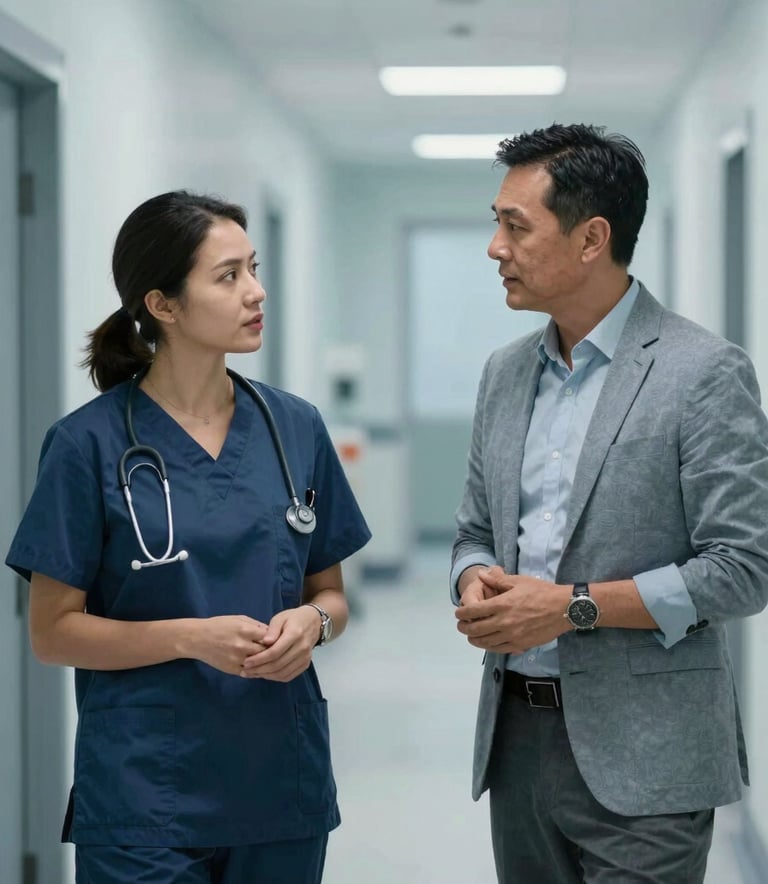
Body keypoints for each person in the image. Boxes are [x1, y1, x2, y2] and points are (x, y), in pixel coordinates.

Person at [5, 190, 371, 884]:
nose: (256, 293)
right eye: (228, 276)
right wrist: (188, 637)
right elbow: (53, 633)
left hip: (279, 787)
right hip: (148, 792)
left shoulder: (294, 428)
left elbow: (331, 594)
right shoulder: (86, 445)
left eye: (254, 269)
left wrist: (314, 624)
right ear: (163, 305)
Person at [450, 123, 768, 883]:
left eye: (514, 226)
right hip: (518, 742)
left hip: (651, 756)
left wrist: (571, 607)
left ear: (592, 238)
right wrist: (474, 577)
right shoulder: (504, 374)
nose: (496, 247)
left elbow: (744, 568)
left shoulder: (703, 373)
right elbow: (472, 531)